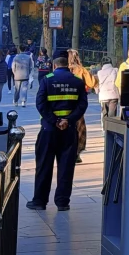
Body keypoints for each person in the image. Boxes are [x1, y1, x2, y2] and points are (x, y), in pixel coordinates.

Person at [27, 53, 88, 212]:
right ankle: (62, 202)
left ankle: (39, 201)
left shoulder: (47, 80)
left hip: (49, 130)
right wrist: (68, 120)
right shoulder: (77, 81)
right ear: (66, 64)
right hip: (69, 131)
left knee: (44, 166)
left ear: (54, 65)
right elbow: (82, 106)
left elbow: (40, 104)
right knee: (66, 167)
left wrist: (55, 120)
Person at [67, 50, 94, 163]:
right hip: (77, 103)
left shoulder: (63, 69)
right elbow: (92, 83)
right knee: (79, 129)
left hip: (64, 103)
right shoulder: (81, 70)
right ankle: (76, 153)